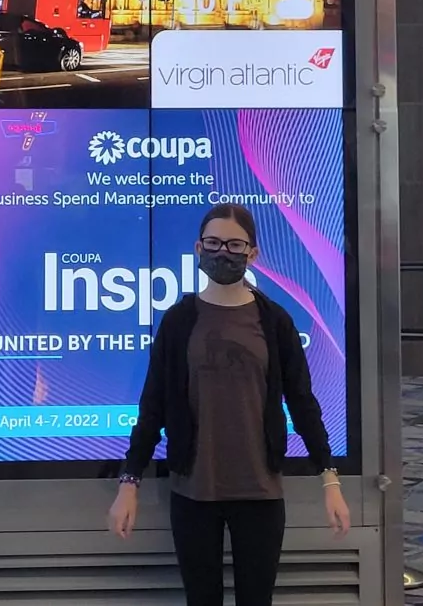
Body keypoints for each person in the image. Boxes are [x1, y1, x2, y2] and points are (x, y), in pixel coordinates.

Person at [108, 203, 350, 606]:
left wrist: (331, 481)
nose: (223, 253)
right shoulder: (178, 320)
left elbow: (303, 403)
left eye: (235, 245)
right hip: (193, 491)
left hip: (260, 492)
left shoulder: (275, 322)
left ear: (252, 253)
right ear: (198, 248)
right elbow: (153, 407)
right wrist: (128, 483)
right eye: (214, 243)